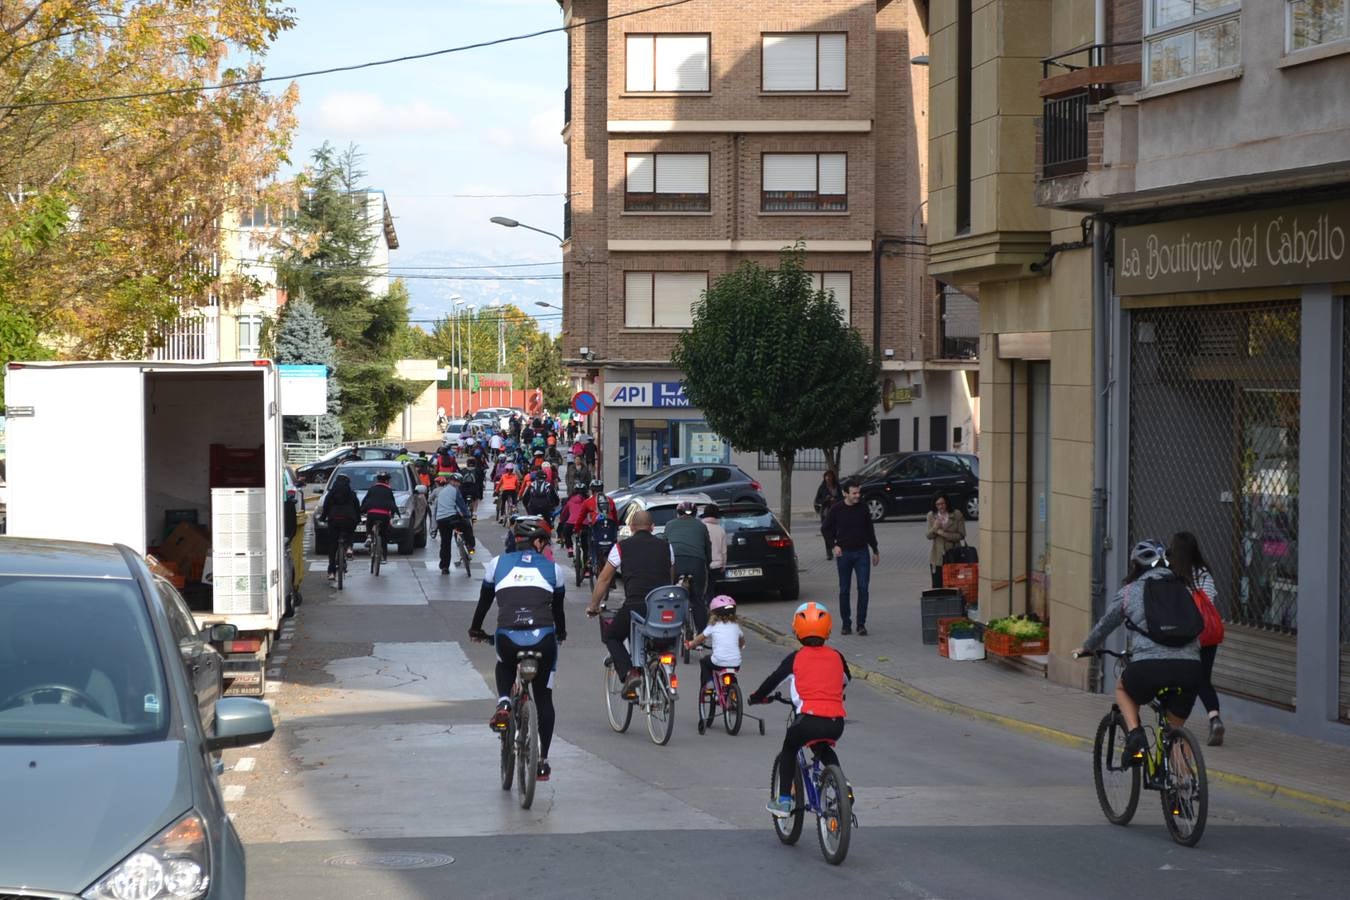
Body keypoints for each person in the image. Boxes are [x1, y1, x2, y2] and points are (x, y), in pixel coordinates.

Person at [1073, 540, 1203, 766]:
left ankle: (1135, 735)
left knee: (1123, 688)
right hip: (1190, 669)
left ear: (1136, 566)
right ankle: (1183, 790)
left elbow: (1105, 624)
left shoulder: (1129, 592)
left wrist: (1088, 647)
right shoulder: (1183, 590)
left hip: (1149, 668)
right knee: (1175, 732)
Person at [469, 519, 566, 783]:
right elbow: (558, 611)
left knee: (504, 662)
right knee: (544, 699)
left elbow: (484, 604)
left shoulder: (496, 564)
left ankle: (503, 701)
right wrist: (561, 634)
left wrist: (475, 629)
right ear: (537, 542)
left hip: (508, 637)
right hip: (543, 638)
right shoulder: (554, 570)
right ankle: (543, 760)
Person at [749, 601, 851, 818]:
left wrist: (756, 698)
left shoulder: (796, 658)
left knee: (789, 749)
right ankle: (844, 785)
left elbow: (773, 681)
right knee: (823, 749)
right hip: (835, 722)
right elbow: (845, 679)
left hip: (807, 721)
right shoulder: (837, 657)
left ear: (796, 630)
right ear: (828, 630)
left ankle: (784, 800)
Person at [586, 509, 676, 698]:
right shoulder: (666, 547)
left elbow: (603, 580)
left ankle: (630, 673)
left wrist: (593, 606)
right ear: (652, 527)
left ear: (631, 527)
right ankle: (656, 663)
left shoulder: (621, 548)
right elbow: (671, 576)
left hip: (636, 605)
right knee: (661, 639)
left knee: (612, 636)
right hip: (663, 607)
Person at [1168, 531, 1225, 746]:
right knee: (1203, 679)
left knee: (1180, 678)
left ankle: (1174, 724)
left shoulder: (1173, 576)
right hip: (1208, 636)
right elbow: (1210, 601)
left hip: (1187, 636)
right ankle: (1214, 718)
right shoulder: (1204, 573)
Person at [820, 479, 879, 636]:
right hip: (844, 553)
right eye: (854, 493)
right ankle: (846, 623)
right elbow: (825, 528)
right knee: (844, 589)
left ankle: (861, 624)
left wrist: (875, 549)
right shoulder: (836, 509)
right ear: (845, 493)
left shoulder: (863, 508)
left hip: (862, 553)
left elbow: (869, 530)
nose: (857, 496)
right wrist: (834, 545)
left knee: (863, 588)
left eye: (858, 492)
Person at [685, 595, 745, 718]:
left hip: (719, 661)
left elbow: (700, 638)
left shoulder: (713, 626)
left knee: (705, 661)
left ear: (713, 613)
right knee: (732, 674)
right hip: (735, 662)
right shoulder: (736, 627)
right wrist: (740, 646)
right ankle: (733, 696)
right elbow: (741, 641)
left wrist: (690, 644)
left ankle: (709, 683)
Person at [664, 499, 713, 631]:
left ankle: (668, 625)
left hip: (676, 563)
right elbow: (708, 548)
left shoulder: (669, 525)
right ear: (695, 514)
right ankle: (701, 635)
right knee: (698, 599)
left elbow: (664, 547)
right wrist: (707, 564)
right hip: (697, 563)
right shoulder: (701, 526)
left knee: (670, 594)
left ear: (678, 513)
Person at [319, 473, 360, 580]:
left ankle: (331, 572)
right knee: (350, 533)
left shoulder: (331, 493)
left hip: (334, 519)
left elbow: (325, 507)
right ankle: (349, 548)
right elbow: (357, 508)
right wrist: (358, 520)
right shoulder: (351, 493)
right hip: (349, 519)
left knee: (332, 546)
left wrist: (323, 518)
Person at [435, 472, 476, 574]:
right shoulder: (455, 491)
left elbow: (436, 508)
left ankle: (444, 567)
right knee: (466, 526)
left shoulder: (442, 491)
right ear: (451, 481)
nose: (457, 484)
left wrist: (434, 525)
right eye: (456, 482)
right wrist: (467, 516)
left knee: (445, 543)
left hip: (441, 520)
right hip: (452, 518)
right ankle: (470, 546)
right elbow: (461, 506)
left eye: (459, 482)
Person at [925, 494, 967, 589]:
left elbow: (962, 535)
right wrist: (935, 527)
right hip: (937, 557)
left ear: (947, 503)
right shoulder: (931, 515)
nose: (940, 506)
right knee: (937, 586)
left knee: (954, 586)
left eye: (943, 503)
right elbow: (928, 536)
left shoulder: (957, 514)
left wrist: (943, 533)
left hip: (953, 555)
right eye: (938, 504)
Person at [359, 471, 398, 560]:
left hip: (372, 513)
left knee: (369, 523)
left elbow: (365, 501)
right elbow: (392, 503)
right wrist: (392, 514)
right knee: (384, 535)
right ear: (387, 481)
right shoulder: (389, 490)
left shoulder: (372, 489)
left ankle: (369, 536)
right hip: (384, 515)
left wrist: (362, 511)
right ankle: (384, 556)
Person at [700, 503, 728, 599]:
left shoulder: (700, 527)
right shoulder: (720, 529)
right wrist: (723, 565)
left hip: (703, 564)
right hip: (716, 565)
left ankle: (703, 610)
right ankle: (711, 609)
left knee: (702, 590)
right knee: (711, 589)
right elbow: (723, 550)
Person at [814, 470, 843, 561]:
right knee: (827, 531)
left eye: (829, 477)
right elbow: (818, 500)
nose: (828, 479)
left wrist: (835, 499)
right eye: (826, 477)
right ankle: (829, 551)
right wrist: (826, 499)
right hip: (826, 512)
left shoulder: (837, 486)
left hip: (837, 511)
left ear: (832, 478)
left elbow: (841, 498)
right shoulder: (822, 487)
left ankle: (838, 547)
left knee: (837, 531)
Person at [557, 484, 588, 557]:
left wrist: (562, 521)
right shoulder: (587, 501)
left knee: (566, 534)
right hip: (584, 524)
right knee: (585, 542)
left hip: (571, 523)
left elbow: (564, 514)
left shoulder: (570, 501)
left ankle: (570, 549)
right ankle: (586, 559)